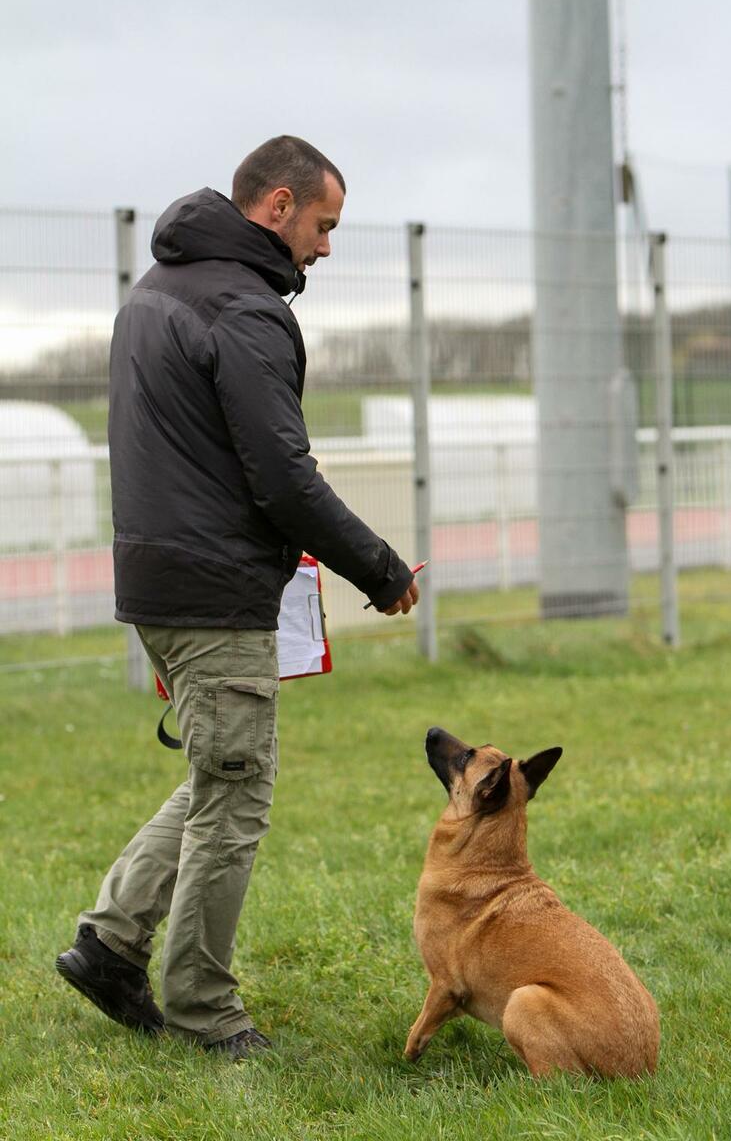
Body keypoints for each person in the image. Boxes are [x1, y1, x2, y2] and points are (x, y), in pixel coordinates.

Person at [55, 136, 419, 1060]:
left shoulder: (155, 291)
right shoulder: (244, 310)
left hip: (155, 579)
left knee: (220, 775)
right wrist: (382, 570)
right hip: (214, 590)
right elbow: (284, 479)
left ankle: (109, 943)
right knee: (236, 799)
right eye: (323, 225)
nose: (326, 247)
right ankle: (204, 1009)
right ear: (278, 205)